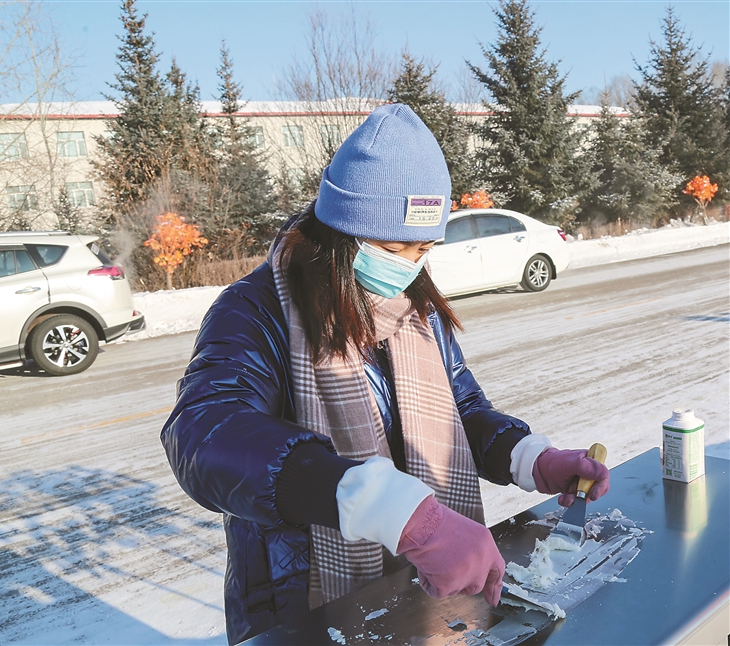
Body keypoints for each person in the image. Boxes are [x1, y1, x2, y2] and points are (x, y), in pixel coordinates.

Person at [160, 103, 610, 645]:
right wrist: (390, 509)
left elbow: (461, 411)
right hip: (304, 600)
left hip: (422, 590)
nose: (410, 265)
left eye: (424, 248)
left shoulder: (414, 308)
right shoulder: (256, 311)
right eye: (394, 248)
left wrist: (529, 458)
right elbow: (204, 434)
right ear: (340, 234)